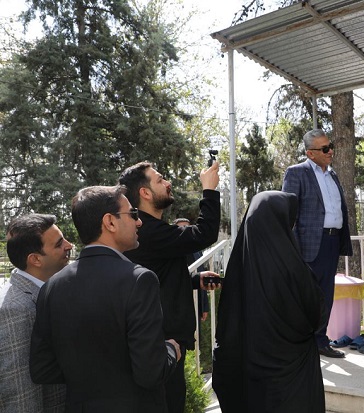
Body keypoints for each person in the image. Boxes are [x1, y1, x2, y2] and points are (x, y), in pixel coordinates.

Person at [29, 185, 181, 412]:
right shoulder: (139, 280)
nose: (139, 222)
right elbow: (151, 373)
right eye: (133, 214)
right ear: (110, 222)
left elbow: (43, 369)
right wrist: (171, 350)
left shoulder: (52, 286)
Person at [118, 161, 221, 413]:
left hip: (166, 343)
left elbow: (155, 278)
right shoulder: (148, 230)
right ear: (145, 193)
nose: (168, 183)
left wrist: (194, 281)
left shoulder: (152, 229)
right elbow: (205, 234)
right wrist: (209, 190)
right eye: (160, 179)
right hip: (162, 345)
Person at [213, 190, 326, 413]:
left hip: (250, 381)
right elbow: (317, 316)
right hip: (293, 381)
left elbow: (228, 327)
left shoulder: (237, 270)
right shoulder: (294, 268)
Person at [282, 129, 353, 358]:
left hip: (332, 241)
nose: (330, 151)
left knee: (325, 295)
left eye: (330, 146)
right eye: (325, 148)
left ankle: (320, 341)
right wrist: (291, 247)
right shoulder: (296, 173)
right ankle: (300, 343)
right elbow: (288, 213)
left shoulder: (332, 175)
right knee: (306, 297)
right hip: (308, 245)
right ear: (310, 153)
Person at [0, 214, 70, 413]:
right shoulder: (16, 309)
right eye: (59, 244)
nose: (69, 245)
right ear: (35, 259)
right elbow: (21, 395)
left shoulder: (48, 291)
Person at [173, 218, 209, 326]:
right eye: (181, 228)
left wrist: (204, 306)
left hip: (196, 303)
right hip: (178, 305)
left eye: (187, 228)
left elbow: (201, 276)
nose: (185, 230)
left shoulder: (197, 251)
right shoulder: (172, 250)